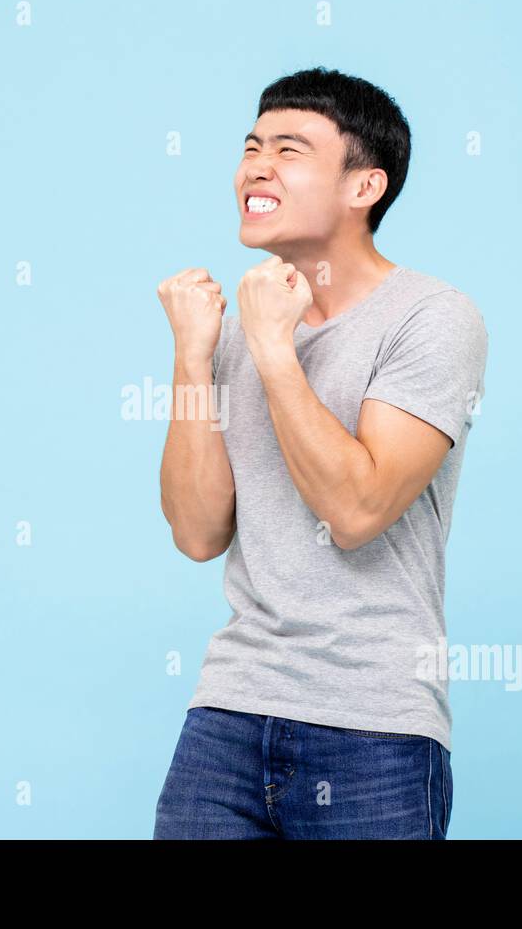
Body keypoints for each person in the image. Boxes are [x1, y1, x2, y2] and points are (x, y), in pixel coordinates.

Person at [153, 66, 488, 839]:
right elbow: (198, 532)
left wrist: (274, 349)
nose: (257, 167)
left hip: (373, 728)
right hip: (227, 717)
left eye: (290, 149)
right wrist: (191, 357)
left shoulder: (433, 319)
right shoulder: (236, 328)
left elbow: (356, 509)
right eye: (252, 146)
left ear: (363, 186)